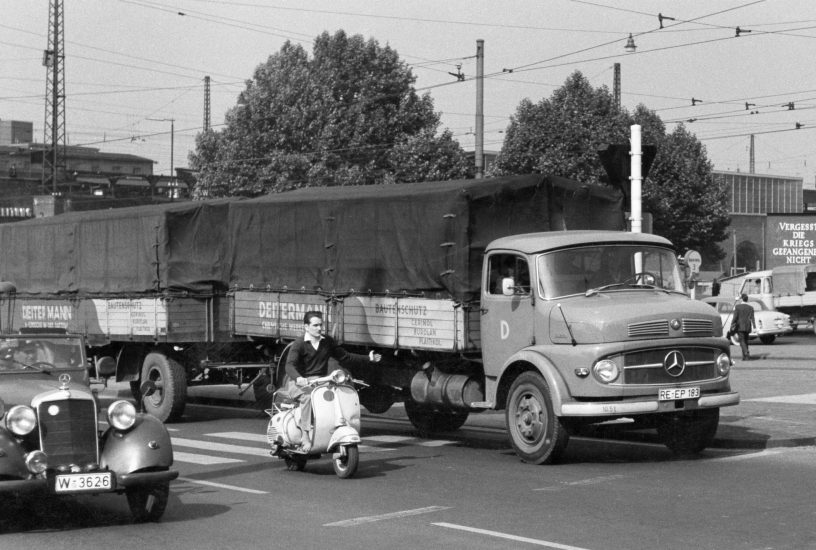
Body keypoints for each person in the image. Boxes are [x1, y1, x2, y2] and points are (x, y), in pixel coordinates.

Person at [284, 311, 381, 452]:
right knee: (307, 397)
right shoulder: (299, 344)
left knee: (339, 393)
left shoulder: (327, 342)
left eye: (320, 325)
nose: (319, 328)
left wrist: (368, 358)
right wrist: (298, 377)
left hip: (320, 381)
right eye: (315, 325)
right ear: (306, 327)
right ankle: (305, 435)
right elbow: (289, 365)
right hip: (299, 382)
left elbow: (345, 357)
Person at [730, 294, 756, 360]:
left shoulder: (738, 307)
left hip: (740, 326)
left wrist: (732, 324)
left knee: (742, 341)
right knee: (745, 341)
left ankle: (746, 353)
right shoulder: (750, 308)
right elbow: (752, 318)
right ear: (747, 299)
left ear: (741, 299)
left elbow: (735, 317)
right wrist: (754, 327)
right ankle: (745, 357)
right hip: (747, 326)